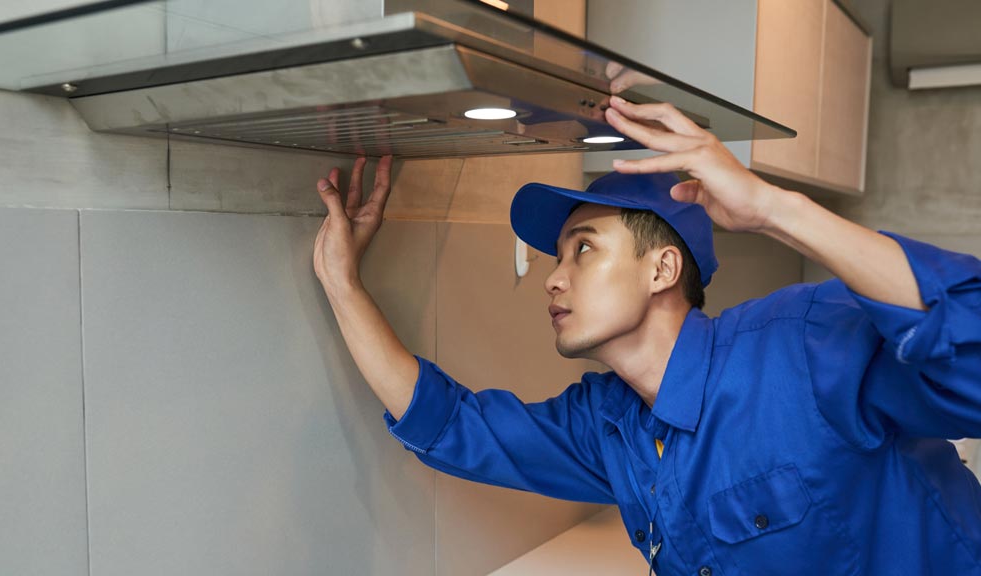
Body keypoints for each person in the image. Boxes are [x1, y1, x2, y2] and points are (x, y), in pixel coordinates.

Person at [311, 95, 981, 575]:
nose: (554, 279)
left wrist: (774, 209)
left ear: (662, 269)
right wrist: (342, 283)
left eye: (582, 249)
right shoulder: (609, 426)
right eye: (556, 257)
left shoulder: (802, 348)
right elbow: (454, 427)